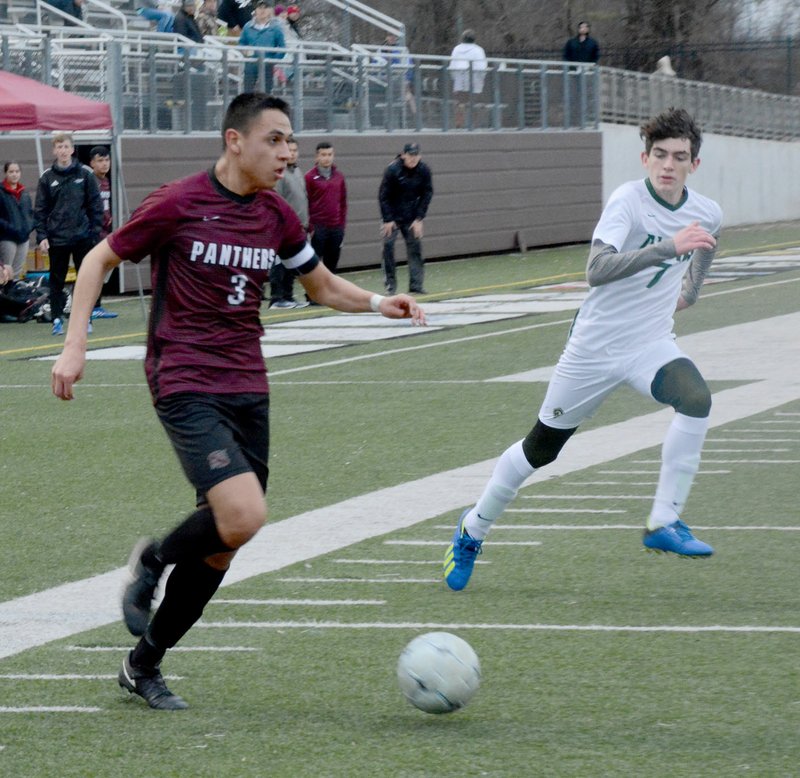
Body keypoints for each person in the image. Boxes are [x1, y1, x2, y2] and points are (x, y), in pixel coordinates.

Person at [50, 93, 425, 711]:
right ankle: (152, 559)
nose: (288, 153)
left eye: (292, 143)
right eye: (275, 140)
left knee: (225, 542)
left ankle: (141, 666)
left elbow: (320, 285)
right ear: (235, 140)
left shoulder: (276, 215)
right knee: (245, 513)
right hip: (184, 377)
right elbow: (98, 259)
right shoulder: (177, 202)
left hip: (248, 385)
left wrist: (379, 303)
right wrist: (74, 344)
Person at [444, 107, 722, 592]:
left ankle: (663, 521)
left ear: (694, 165)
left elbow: (704, 244)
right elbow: (596, 269)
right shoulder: (628, 201)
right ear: (645, 157)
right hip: (593, 349)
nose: (668, 165)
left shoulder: (707, 209)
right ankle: (472, 530)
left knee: (696, 399)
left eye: (680, 157)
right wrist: (667, 248)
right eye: (660, 155)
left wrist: (690, 292)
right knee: (539, 451)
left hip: (650, 343)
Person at [34, 133, 103, 336]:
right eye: (59, 147)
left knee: (85, 279)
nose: (63, 151)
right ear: (54, 151)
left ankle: (86, 318)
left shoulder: (85, 174)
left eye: (66, 147)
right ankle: (57, 319)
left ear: (72, 149)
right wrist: (42, 236)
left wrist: (94, 233)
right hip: (57, 238)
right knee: (57, 280)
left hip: (82, 237)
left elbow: (95, 206)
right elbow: (40, 210)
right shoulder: (47, 177)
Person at [378, 142, 433, 295]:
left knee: (415, 248)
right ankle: (390, 286)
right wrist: (388, 219)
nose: (413, 159)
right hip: (392, 215)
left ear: (420, 156)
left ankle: (416, 285)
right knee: (388, 247)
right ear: (403, 155)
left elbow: (427, 194)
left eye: (416, 155)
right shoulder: (392, 170)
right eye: (410, 155)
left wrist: (419, 218)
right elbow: (383, 196)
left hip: (412, 215)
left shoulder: (424, 170)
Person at [269, 137, 308, 308]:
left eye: (295, 151)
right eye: (289, 150)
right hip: (283, 228)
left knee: (292, 265)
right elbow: (277, 201)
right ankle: (277, 298)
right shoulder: (280, 173)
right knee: (279, 264)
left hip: (299, 228)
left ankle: (288, 296)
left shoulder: (298, 172)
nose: (292, 154)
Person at [305, 141, 347, 279]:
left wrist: (341, 226)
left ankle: (331, 296)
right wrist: (311, 227)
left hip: (336, 228)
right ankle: (311, 297)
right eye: (323, 155)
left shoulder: (339, 177)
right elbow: (306, 202)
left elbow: (343, 203)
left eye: (329, 154)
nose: (327, 158)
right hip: (318, 228)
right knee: (314, 264)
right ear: (317, 157)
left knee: (332, 264)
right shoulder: (309, 177)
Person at [87, 147, 119, 320]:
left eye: (106, 160)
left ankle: (97, 304)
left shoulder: (107, 180)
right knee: (95, 269)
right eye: (100, 160)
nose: (104, 164)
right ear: (92, 163)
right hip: (94, 233)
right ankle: (93, 306)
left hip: (107, 232)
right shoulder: (89, 180)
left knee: (107, 268)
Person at [238, 1, 285, 93]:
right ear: (255, 10)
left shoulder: (276, 28)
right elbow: (242, 43)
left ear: (270, 10)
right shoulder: (248, 26)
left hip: (267, 65)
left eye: (265, 8)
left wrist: (273, 60)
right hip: (251, 64)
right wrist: (245, 52)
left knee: (266, 92)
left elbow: (282, 47)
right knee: (248, 92)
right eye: (260, 8)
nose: (262, 10)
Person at [0, 161, 34, 282]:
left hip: (23, 238)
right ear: (5, 173)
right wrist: (10, 228)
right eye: (11, 171)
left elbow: (30, 213)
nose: (14, 174)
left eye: (17, 171)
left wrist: (29, 227)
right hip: (7, 238)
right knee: (5, 271)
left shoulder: (24, 193)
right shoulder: (1, 192)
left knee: (17, 273)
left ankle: (13, 296)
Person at [448, 30, 487, 129]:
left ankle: (459, 124)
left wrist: (454, 78)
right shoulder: (478, 50)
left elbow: (452, 66)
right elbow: (482, 67)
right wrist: (481, 79)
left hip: (459, 80)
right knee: (474, 104)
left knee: (460, 103)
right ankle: (474, 126)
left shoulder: (456, 49)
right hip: (475, 80)